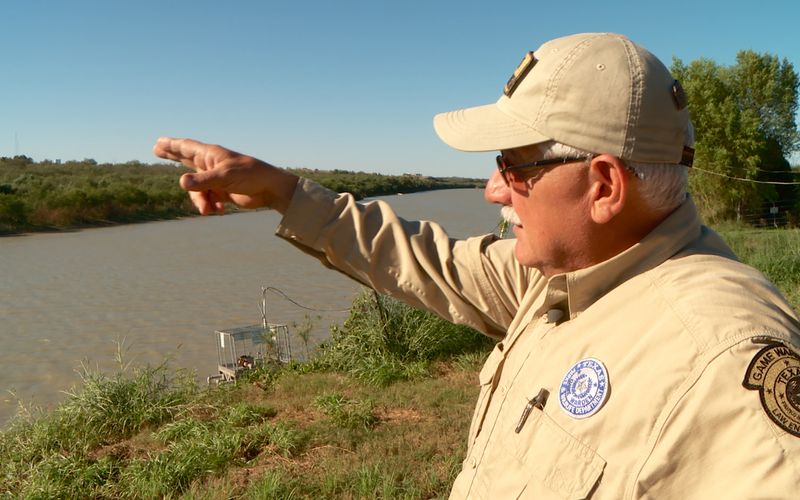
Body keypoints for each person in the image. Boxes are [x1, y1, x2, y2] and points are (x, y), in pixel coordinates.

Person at [154, 32, 800, 498]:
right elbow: (421, 259)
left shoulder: (720, 357)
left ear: (603, 185)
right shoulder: (562, 277)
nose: (494, 191)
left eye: (513, 167)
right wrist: (283, 194)